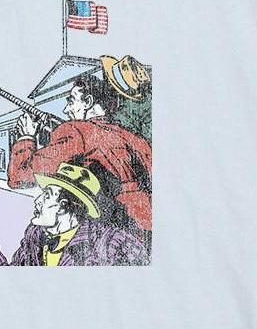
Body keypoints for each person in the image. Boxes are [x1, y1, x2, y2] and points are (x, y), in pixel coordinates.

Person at [8, 72, 153, 241]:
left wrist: (26, 137)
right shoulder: (136, 139)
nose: (66, 110)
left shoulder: (75, 130)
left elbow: (19, 177)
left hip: (109, 230)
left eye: (71, 101)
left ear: (88, 102)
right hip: (145, 226)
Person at [0, 161, 148, 267]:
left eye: (47, 195)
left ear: (64, 206)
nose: (37, 200)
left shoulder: (112, 243)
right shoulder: (35, 235)